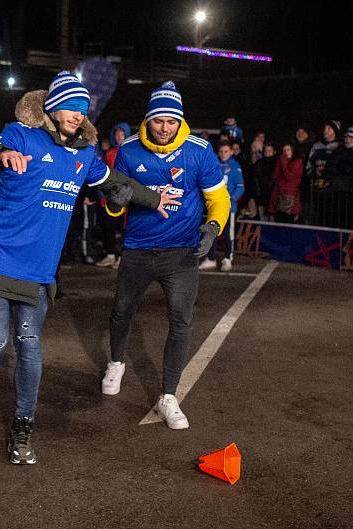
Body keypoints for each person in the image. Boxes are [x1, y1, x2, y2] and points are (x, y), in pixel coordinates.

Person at [0, 71, 179, 463]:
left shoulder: (85, 155)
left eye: (83, 109)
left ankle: (23, 426)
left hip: (38, 270)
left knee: (30, 346)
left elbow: (114, 183)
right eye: (71, 108)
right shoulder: (21, 133)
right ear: (52, 108)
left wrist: (152, 198)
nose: (78, 115)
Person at [101, 81, 230, 430]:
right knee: (122, 309)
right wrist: (114, 204)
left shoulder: (199, 151)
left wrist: (213, 227)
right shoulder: (128, 151)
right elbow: (113, 200)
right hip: (138, 249)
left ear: (179, 122)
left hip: (181, 251)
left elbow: (218, 198)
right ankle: (116, 362)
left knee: (181, 319)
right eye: (159, 120)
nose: (164, 127)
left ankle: (168, 395)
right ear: (148, 120)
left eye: (171, 121)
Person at [200, 140, 243, 271]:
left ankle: (228, 259)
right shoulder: (213, 164)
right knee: (211, 231)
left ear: (231, 152)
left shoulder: (235, 167)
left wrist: (230, 199)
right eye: (221, 151)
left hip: (229, 208)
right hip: (212, 206)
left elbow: (240, 187)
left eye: (226, 151)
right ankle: (211, 258)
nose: (223, 154)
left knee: (228, 234)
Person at [96, 122, 131, 268]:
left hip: (127, 196)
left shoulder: (132, 151)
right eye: (116, 134)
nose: (119, 136)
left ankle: (123, 257)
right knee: (108, 226)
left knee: (126, 227)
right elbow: (104, 175)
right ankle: (110, 255)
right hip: (111, 196)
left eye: (122, 133)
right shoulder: (109, 153)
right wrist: (102, 194)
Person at [269, 143, 304, 223]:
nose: (286, 152)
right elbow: (274, 177)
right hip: (278, 195)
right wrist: (279, 163)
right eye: (284, 150)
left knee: (286, 221)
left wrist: (283, 161)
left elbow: (289, 177)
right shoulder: (282, 161)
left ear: (292, 151)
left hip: (289, 197)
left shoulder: (297, 162)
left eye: (288, 150)